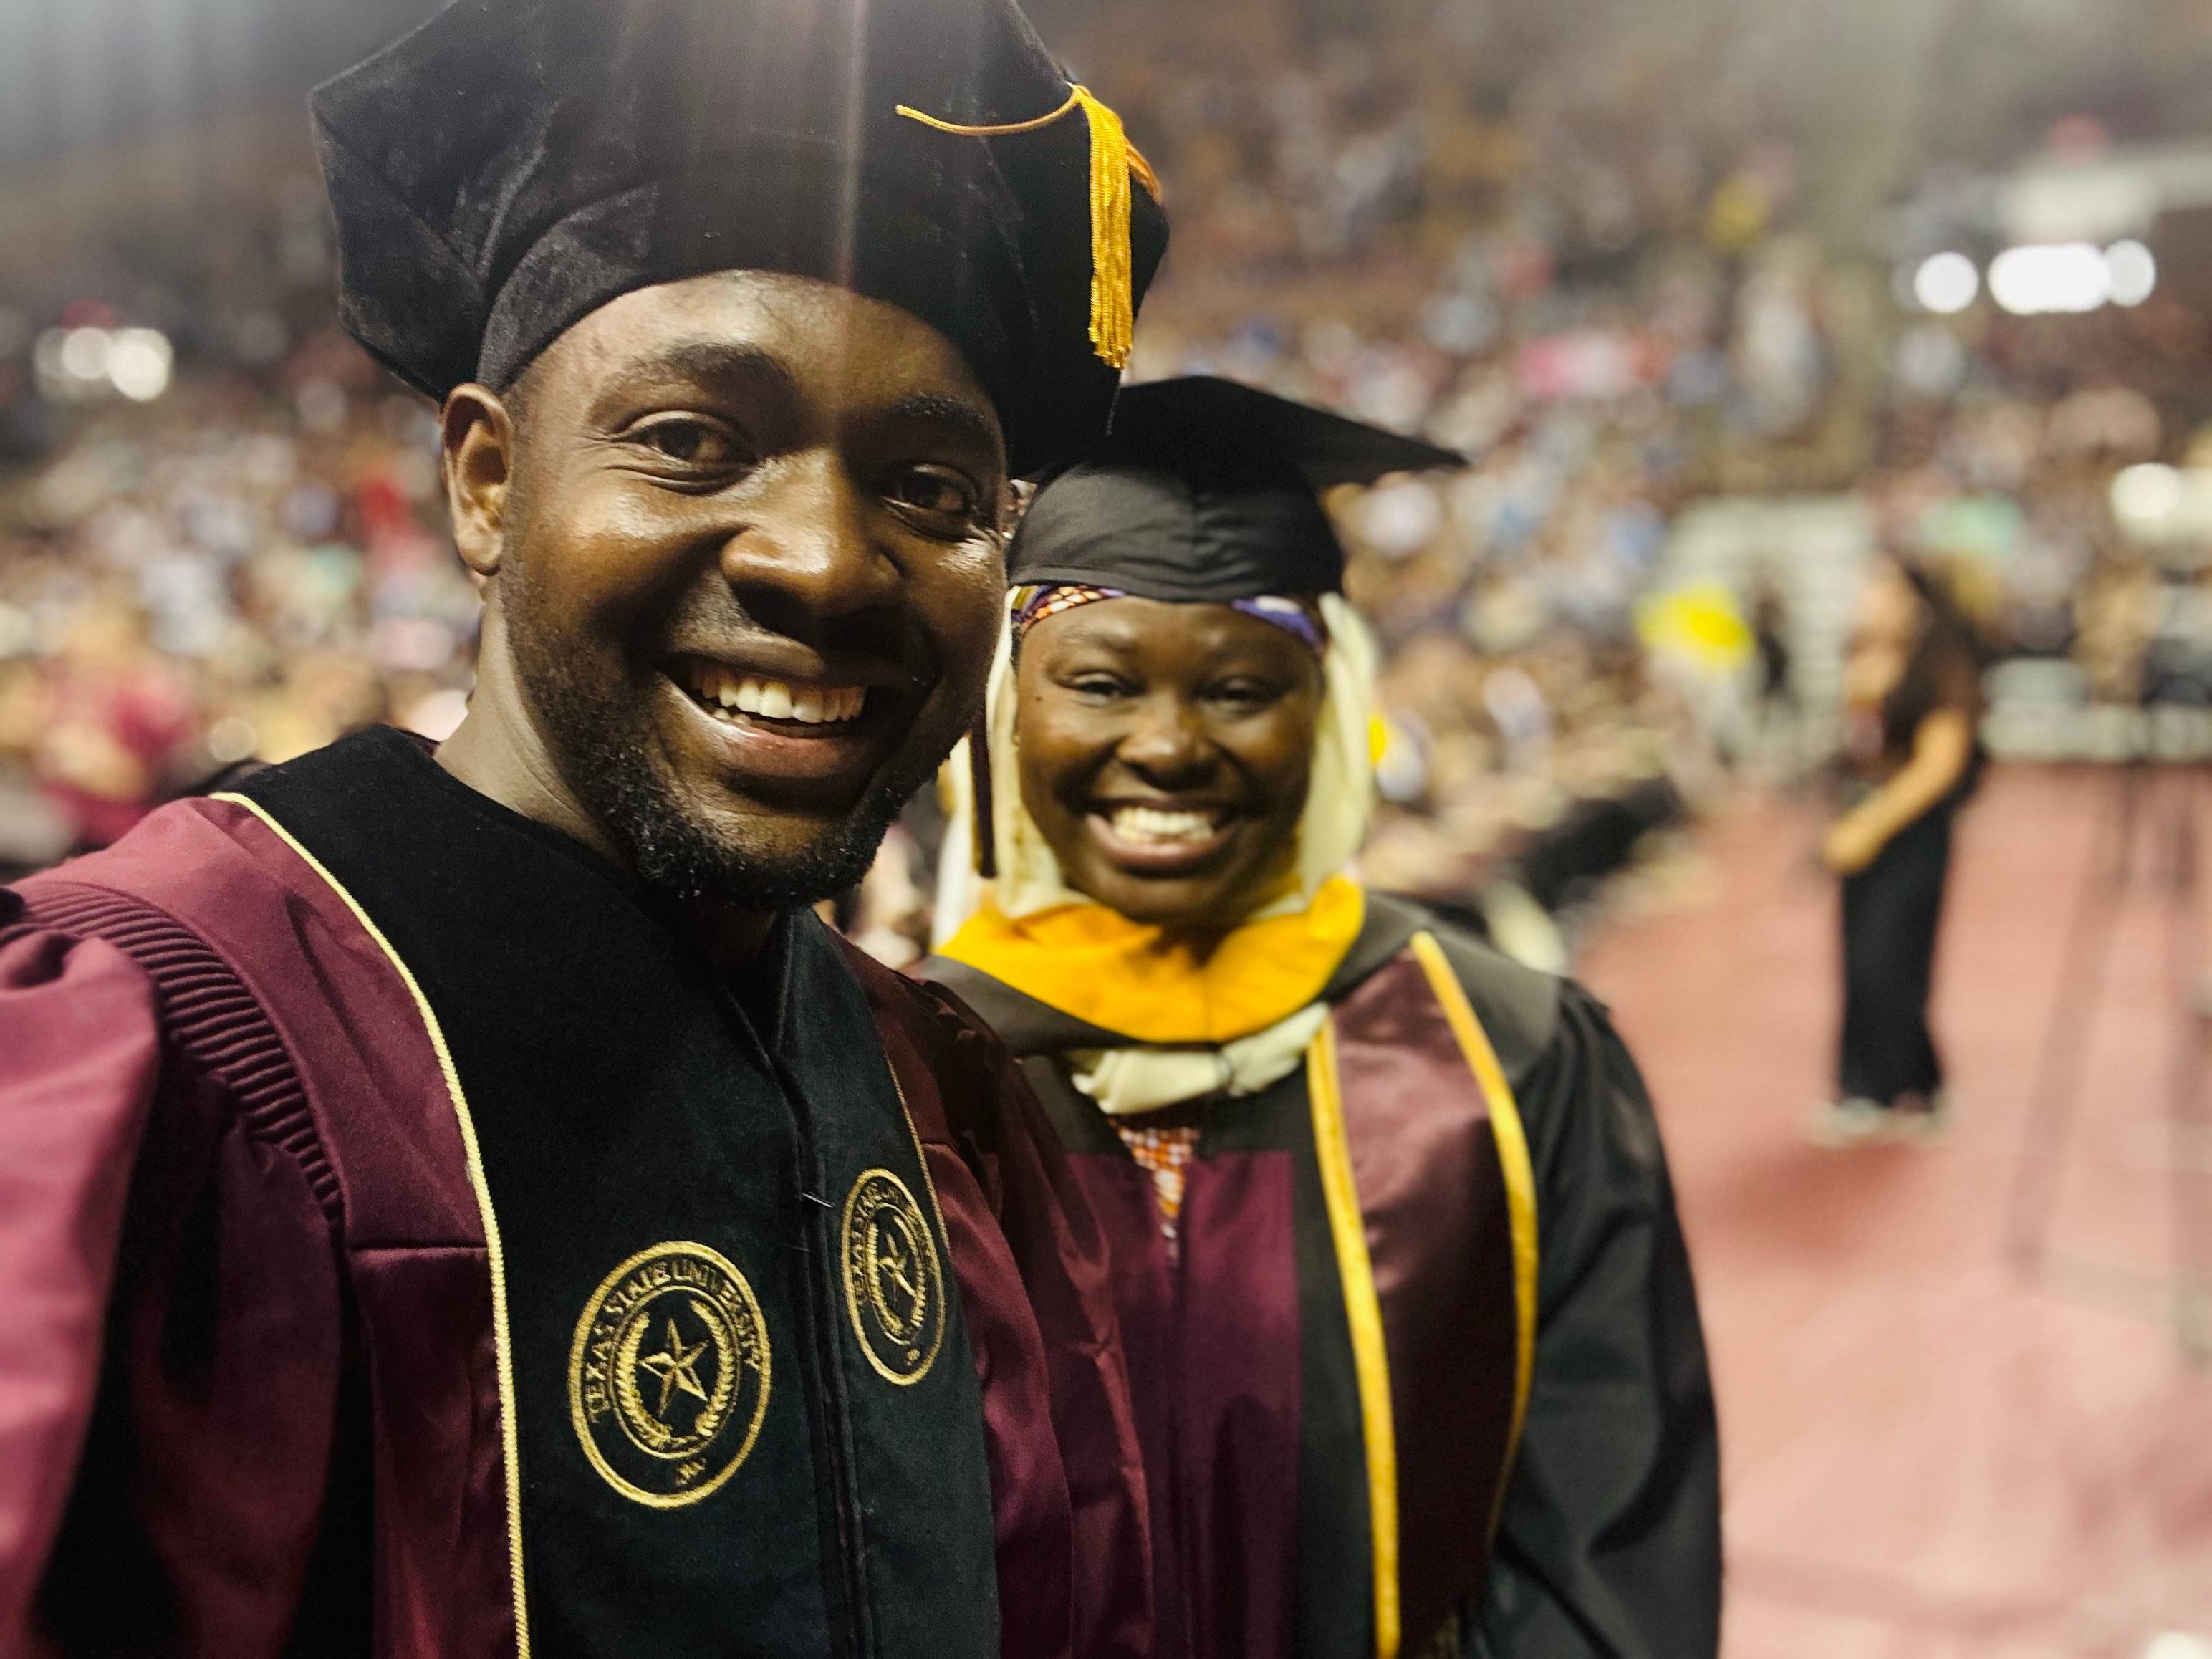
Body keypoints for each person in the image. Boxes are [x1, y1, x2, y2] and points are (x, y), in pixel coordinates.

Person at [0, 0, 1170, 1651]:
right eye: (693, 440)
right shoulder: (158, 1048)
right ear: (484, 483)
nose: (828, 563)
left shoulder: (933, 1083)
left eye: (932, 489)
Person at [924, 378, 1721, 1659]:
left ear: (1330, 712)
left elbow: (1607, 1553)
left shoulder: (1507, 1060)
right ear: (1006, 715)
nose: (1170, 747)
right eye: (1099, 682)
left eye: (1240, 688)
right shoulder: (900, 1066)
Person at [1814, 554, 1983, 1146]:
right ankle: (1890, 1084)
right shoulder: (1862, 658)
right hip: (1862, 822)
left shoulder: (1937, 662)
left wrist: (1872, 825)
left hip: (1909, 831)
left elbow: (1940, 764)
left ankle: (1896, 1087)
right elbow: (1861, 749)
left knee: (1894, 958)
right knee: (1860, 956)